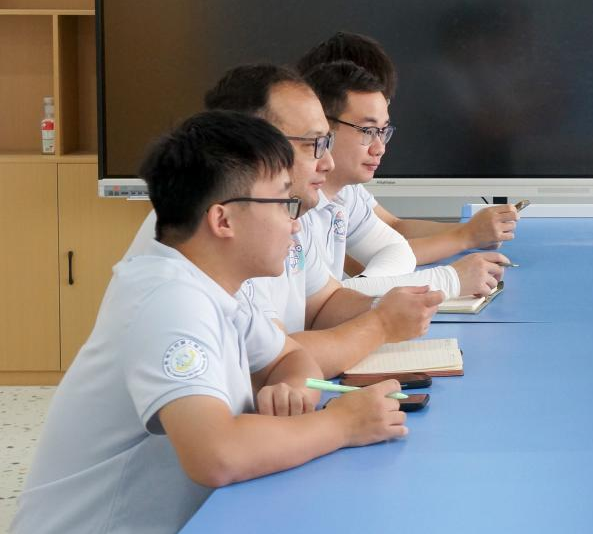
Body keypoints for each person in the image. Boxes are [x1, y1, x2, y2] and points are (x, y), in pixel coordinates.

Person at [13, 111, 407, 534]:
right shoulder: (169, 300)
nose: (295, 224)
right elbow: (216, 455)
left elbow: (291, 358)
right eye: (283, 203)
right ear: (223, 220)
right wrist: (341, 424)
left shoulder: (218, 286)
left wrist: (291, 390)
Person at [123, 64, 448, 376]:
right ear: (254, 145)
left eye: (327, 143)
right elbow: (272, 363)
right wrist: (380, 325)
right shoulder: (216, 229)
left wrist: (389, 308)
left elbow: (322, 306)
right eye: (313, 145)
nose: (328, 163)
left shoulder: (287, 210)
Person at [296, 32, 519, 262]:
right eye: (368, 128)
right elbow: (369, 266)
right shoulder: (300, 201)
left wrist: (474, 231)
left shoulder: (345, 190)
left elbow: (394, 228)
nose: (380, 147)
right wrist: (466, 239)